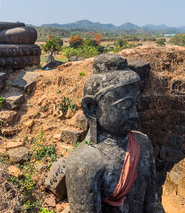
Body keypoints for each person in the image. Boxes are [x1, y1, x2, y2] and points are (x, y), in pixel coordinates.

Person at [65, 53, 164, 212]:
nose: (135, 114)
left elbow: (152, 203)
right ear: (92, 108)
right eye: (125, 106)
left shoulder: (143, 144)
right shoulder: (84, 162)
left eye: (135, 105)